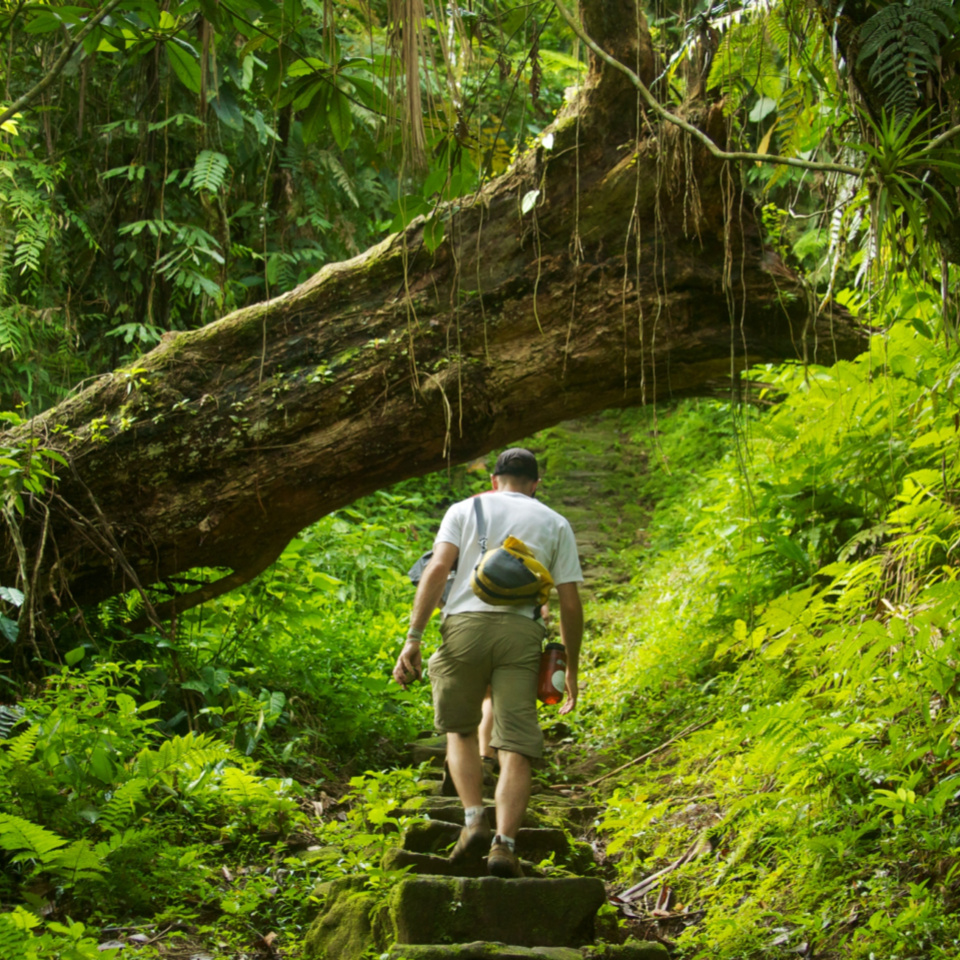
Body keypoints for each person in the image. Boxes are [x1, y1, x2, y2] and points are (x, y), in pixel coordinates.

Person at [392, 447, 584, 878]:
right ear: (535, 485)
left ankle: (475, 819)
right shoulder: (555, 522)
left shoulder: (464, 508)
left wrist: (414, 638)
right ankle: (505, 845)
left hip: (463, 626)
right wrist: (570, 666)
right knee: (516, 743)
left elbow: (438, 568)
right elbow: (569, 602)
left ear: (494, 480)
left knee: (459, 729)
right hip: (521, 635)